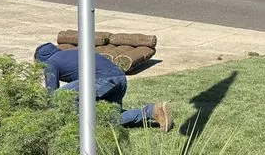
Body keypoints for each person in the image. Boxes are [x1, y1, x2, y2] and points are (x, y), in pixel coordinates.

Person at [34, 43, 172, 131]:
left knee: (61, 96)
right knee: (109, 118)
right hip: (120, 80)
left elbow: (51, 95)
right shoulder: (73, 52)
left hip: (102, 81)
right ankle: (152, 111)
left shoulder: (50, 63)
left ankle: (75, 126)